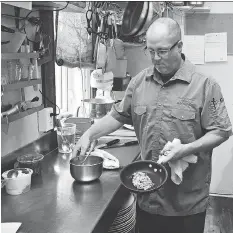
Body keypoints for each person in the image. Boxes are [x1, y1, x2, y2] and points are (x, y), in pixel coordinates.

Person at [73, 17, 232, 233]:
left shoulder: (206, 85)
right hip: (148, 195)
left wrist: (185, 150)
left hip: (186, 201)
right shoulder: (139, 83)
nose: (156, 58)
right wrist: (89, 134)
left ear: (179, 47)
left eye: (163, 51)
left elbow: (222, 131)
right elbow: (117, 115)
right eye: (151, 51)